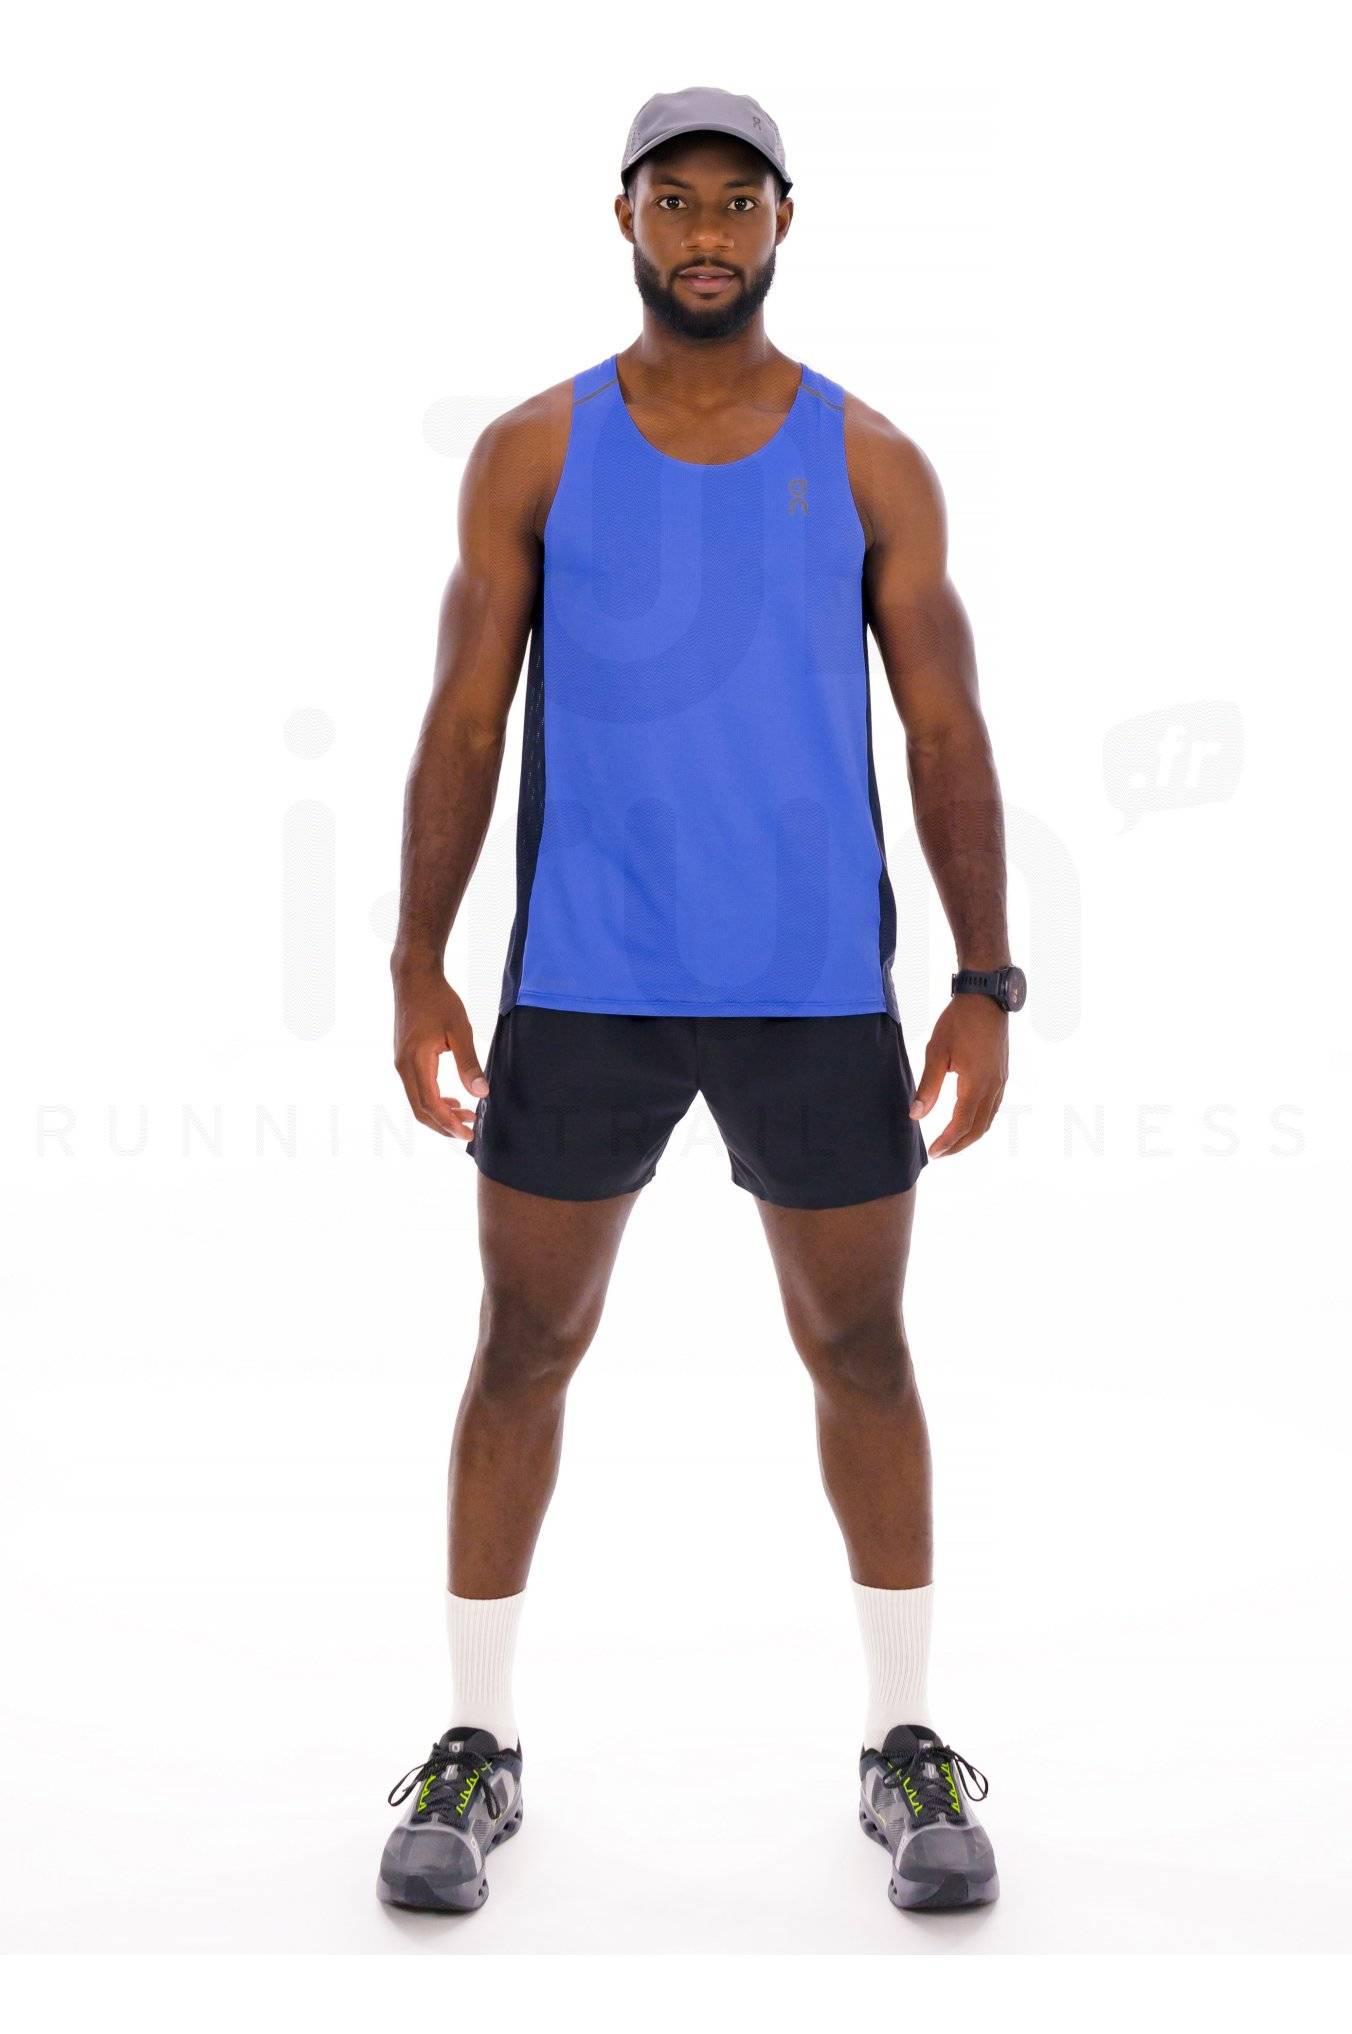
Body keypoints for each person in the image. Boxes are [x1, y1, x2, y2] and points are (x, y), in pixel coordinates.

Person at [377, 86, 1025, 1918]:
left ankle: (906, 1743)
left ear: (785, 223)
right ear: (628, 219)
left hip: (813, 992)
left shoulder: (874, 460)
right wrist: (417, 958)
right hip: (586, 977)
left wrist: (984, 981)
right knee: (522, 1341)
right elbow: (463, 720)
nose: (710, 230)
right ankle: (476, 1743)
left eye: (741, 201)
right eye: (680, 199)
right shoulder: (535, 450)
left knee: (862, 1348)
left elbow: (948, 730)